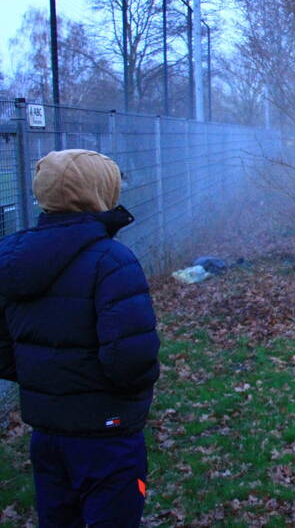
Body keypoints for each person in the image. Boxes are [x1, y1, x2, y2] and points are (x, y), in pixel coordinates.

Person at [0, 149, 160, 527]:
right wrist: (127, 397)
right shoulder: (112, 260)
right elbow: (131, 359)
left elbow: (4, 349)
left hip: (48, 432)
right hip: (107, 431)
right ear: (99, 193)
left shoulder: (12, 260)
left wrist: (47, 381)